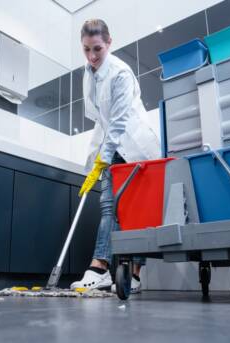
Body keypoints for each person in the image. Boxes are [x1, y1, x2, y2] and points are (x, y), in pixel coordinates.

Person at [70, 19, 160, 293]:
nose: (92, 56)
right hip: (111, 146)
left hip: (134, 149)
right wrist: (93, 164)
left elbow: (119, 122)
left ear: (109, 42)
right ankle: (101, 269)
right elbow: (101, 121)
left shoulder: (120, 72)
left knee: (137, 212)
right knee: (109, 207)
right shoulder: (89, 74)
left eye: (97, 48)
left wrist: (104, 157)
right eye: (86, 49)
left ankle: (134, 276)